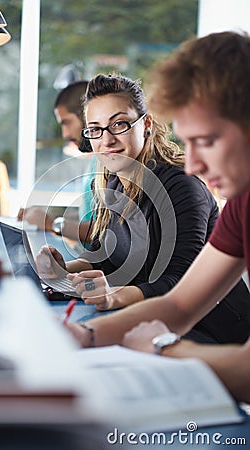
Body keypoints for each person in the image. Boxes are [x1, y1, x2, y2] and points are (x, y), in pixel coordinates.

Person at [65, 32, 250, 403]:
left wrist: (162, 347)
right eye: (188, 141)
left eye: (207, 140)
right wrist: (85, 336)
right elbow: (179, 304)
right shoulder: (242, 204)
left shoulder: (184, 185)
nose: (194, 163)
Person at [36, 73, 250, 346]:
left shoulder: (182, 186)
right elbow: (110, 257)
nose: (107, 139)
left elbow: (179, 280)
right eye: (96, 129)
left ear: (145, 124)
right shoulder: (112, 182)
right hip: (152, 318)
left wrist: (114, 294)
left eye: (119, 124)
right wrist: (63, 270)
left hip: (210, 328)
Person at [18, 81, 96, 244]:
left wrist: (52, 223)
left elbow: (106, 232)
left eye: (67, 122)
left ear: (85, 115)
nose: (65, 134)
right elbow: (91, 216)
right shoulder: (96, 159)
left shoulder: (112, 162)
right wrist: (44, 218)